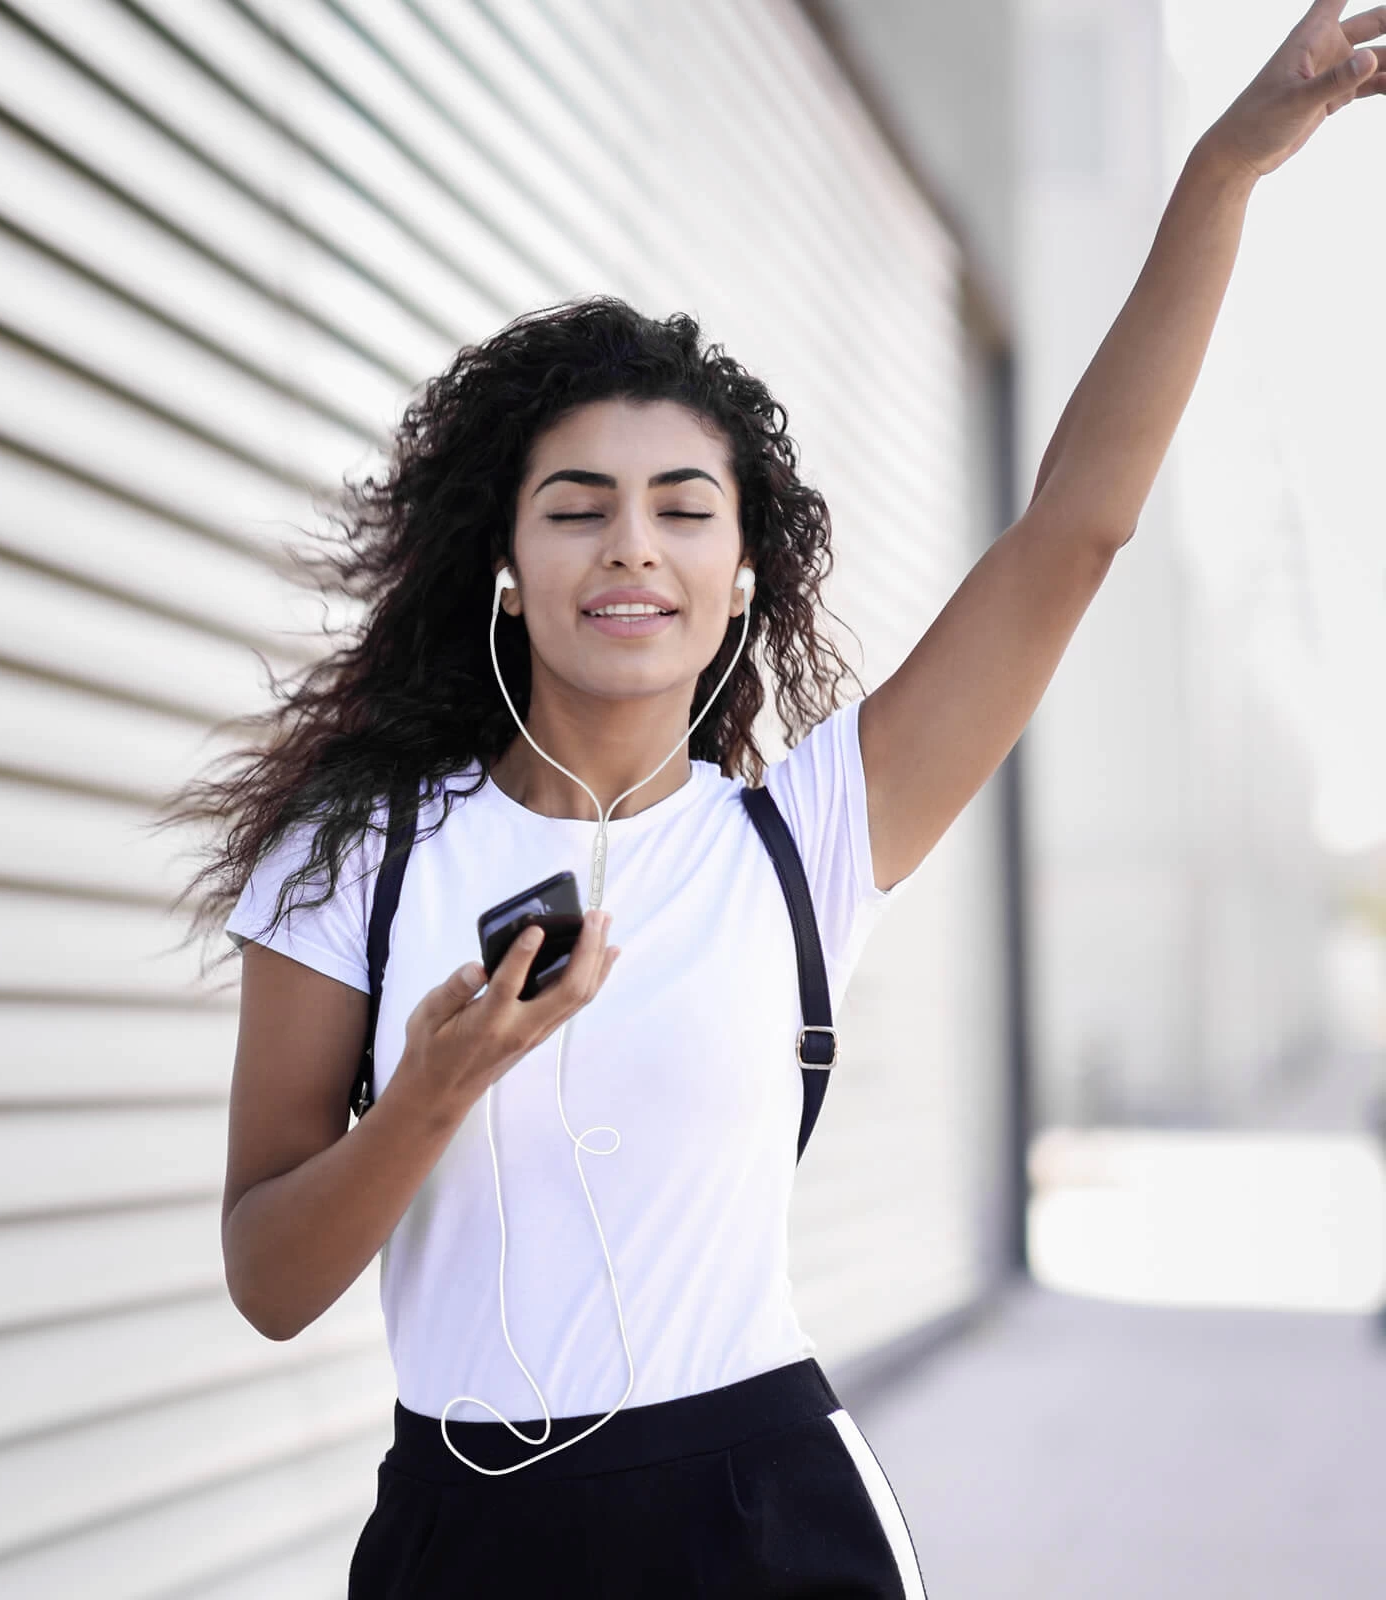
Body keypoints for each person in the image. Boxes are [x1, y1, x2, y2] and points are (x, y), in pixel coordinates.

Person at [165, 9, 1382, 1592]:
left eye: (683, 509)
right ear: (505, 566)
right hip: (463, 1538)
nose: (631, 547)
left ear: (740, 579)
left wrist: (1219, 174)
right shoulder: (361, 854)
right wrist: (429, 1098)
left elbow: (1072, 532)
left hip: (761, 1519)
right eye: (577, 508)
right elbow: (268, 1276)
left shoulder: (799, 837)